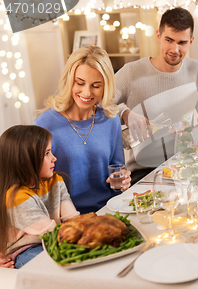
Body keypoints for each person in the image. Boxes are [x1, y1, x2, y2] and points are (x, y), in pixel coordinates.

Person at [114, 7, 198, 184]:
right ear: (158, 36)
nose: (174, 49)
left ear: (191, 41)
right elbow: (99, 103)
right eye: (169, 40)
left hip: (185, 165)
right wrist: (125, 113)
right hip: (142, 171)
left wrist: (190, 135)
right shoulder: (131, 72)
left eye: (182, 42)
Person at [35, 46, 131, 214]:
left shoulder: (111, 120)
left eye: (96, 85)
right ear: (69, 80)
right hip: (65, 218)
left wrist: (123, 180)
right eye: (80, 83)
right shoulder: (45, 124)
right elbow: (36, 183)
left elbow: (116, 171)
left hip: (108, 211)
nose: (86, 92)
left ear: (105, 87)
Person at [0, 125, 79, 269]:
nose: (54, 158)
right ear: (25, 160)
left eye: (51, 151)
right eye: (46, 153)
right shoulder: (17, 196)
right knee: (59, 265)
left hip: (53, 239)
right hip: (26, 250)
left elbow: (73, 218)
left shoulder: (55, 181)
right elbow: (52, 233)